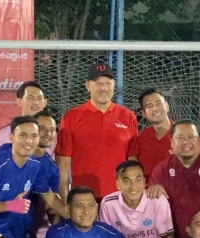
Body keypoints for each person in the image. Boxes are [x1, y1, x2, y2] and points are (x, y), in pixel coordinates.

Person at [55, 62, 138, 201]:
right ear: (88, 86)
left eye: (108, 83)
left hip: (119, 199)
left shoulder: (128, 116)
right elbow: (63, 164)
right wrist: (65, 201)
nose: (104, 88)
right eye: (98, 83)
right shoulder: (71, 117)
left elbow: (133, 160)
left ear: (114, 85)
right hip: (84, 199)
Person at [0, 81, 49, 150]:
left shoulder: (51, 134)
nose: (35, 102)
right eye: (30, 98)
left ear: (45, 102)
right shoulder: (4, 133)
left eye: (39, 98)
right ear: (19, 101)